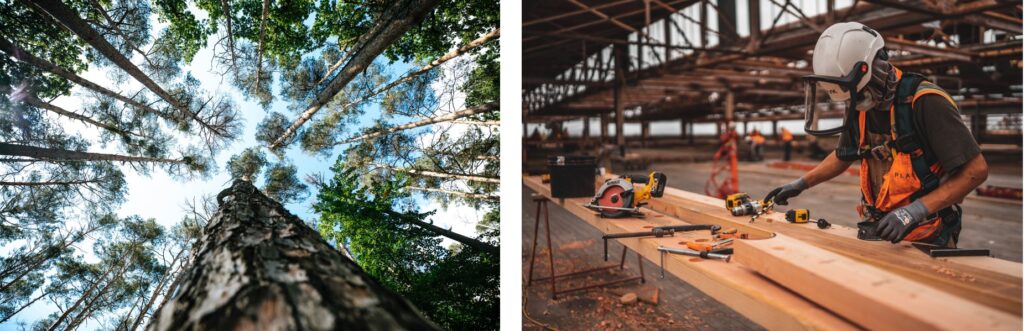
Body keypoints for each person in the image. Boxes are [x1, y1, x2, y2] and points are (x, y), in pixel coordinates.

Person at [764, 22, 988, 247]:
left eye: (859, 94)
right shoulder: (858, 104)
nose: (855, 102)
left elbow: (976, 171)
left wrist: (914, 211)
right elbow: (844, 155)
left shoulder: (925, 101)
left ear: (874, 70)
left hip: (928, 234)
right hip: (879, 229)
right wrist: (801, 183)